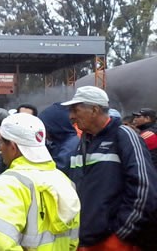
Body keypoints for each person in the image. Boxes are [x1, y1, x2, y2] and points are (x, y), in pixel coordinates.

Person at [62, 86, 157, 250]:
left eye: (75, 110)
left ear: (94, 110)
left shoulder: (124, 136)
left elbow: (144, 190)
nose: (71, 116)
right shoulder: (83, 143)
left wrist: (120, 236)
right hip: (83, 241)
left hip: (112, 243)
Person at [0, 113, 80, 250]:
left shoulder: (8, 185)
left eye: (2, 142)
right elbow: (72, 241)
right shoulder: (64, 181)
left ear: (13, 147)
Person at [38, 102, 79, 174]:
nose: (44, 133)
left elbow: (58, 170)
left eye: (45, 128)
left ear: (54, 127)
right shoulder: (58, 142)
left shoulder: (71, 145)